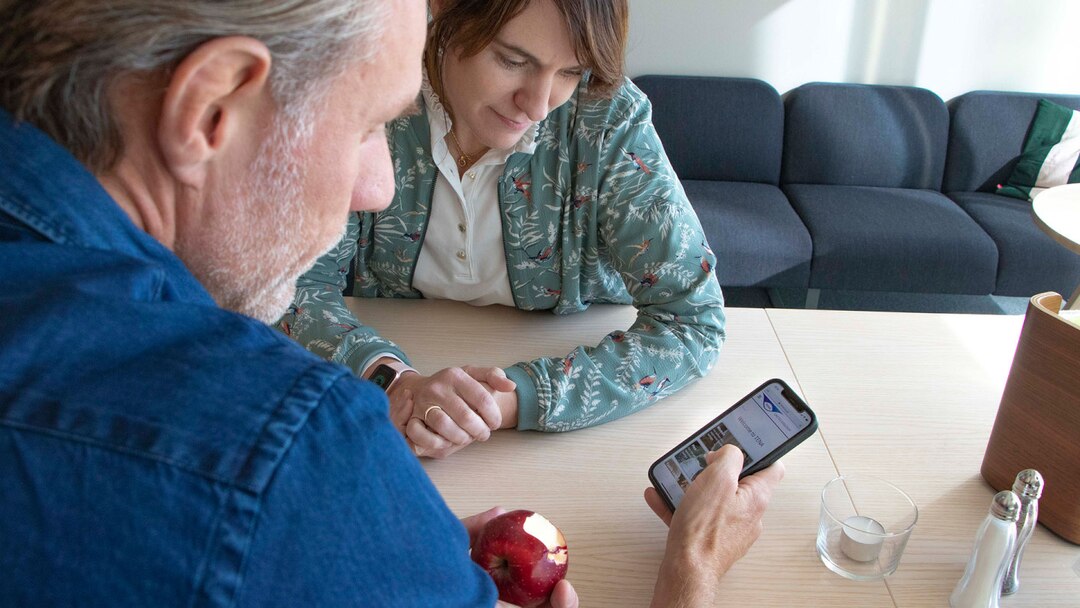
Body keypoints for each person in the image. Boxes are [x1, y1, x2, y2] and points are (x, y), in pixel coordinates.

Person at [0, 0, 782, 606]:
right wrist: (693, 571)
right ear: (209, 109)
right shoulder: (294, 445)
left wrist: (383, 536)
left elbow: (690, 312)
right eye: (370, 124)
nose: (378, 190)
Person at [280, 0, 726, 458]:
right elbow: (290, 287)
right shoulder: (369, 87)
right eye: (513, 61)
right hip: (380, 412)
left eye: (571, 72)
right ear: (444, 11)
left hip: (557, 424)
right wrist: (389, 379)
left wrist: (504, 401)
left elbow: (693, 321)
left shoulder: (607, 120)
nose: (537, 104)